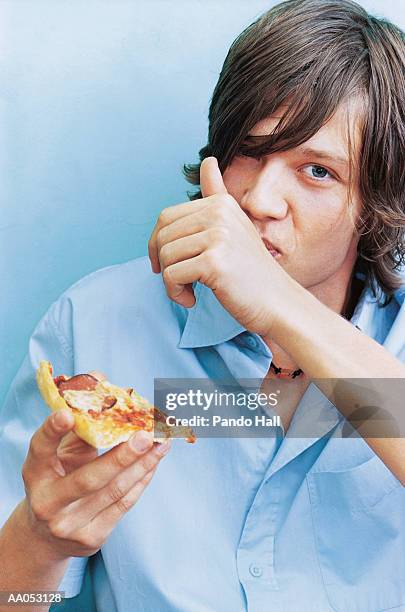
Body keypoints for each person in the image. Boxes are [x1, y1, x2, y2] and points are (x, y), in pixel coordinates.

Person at [1, 0, 404, 610]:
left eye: (317, 171)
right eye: (249, 150)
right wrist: (39, 540)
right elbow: (15, 602)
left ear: (375, 201)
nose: (261, 199)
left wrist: (277, 306)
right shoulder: (93, 324)